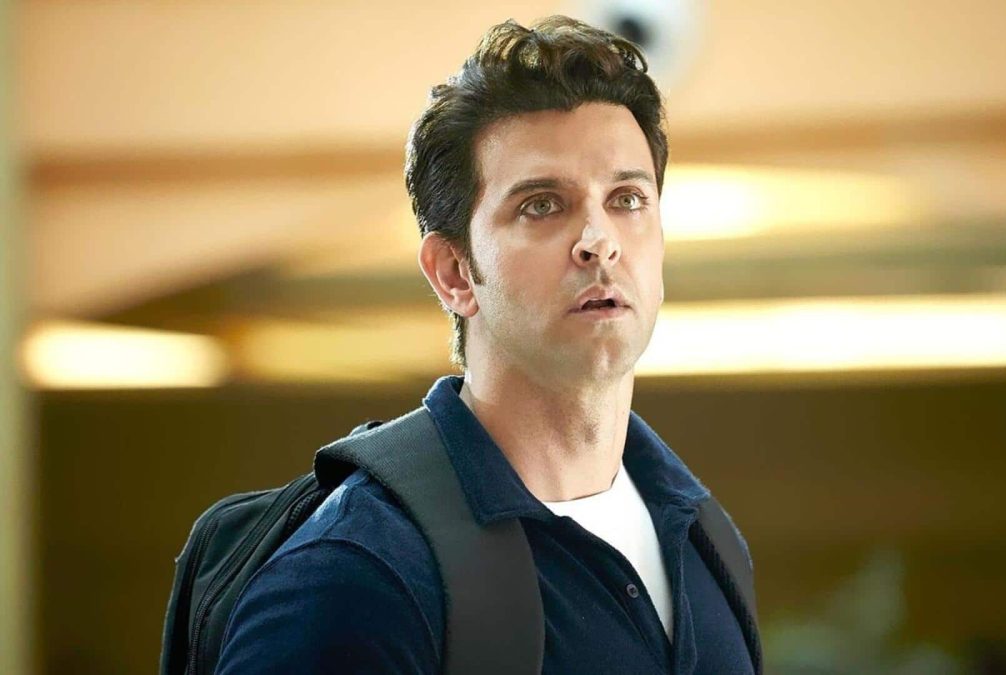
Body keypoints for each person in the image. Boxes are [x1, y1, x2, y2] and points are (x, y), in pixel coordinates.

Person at [215, 16, 758, 674]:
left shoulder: (703, 538)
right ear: (454, 273)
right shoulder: (356, 575)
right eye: (541, 205)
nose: (599, 240)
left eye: (627, 199)